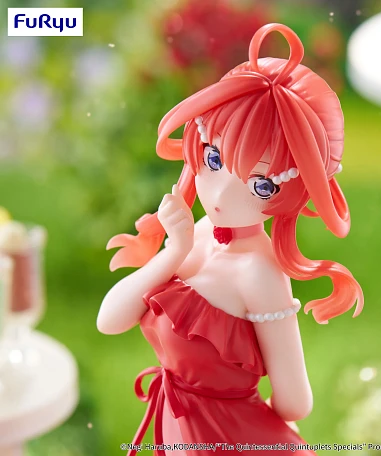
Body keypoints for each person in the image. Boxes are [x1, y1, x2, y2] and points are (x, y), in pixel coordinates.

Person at [97, 22, 364, 456]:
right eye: (215, 158)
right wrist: (173, 252)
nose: (221, 194)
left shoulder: (260, 273)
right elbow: (109, 320)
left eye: (262, 185)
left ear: (298, 188)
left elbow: (296, 401)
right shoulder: (197, 235)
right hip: (183, 426)